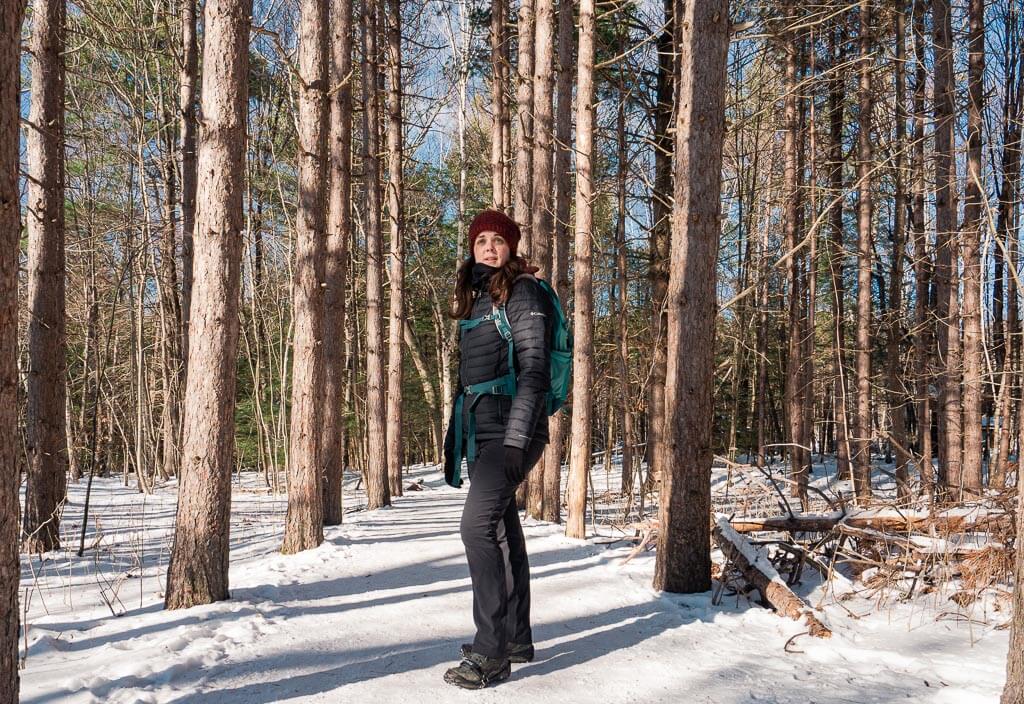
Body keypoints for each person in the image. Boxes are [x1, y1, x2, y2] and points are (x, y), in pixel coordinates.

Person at [442, 209, 553, 689]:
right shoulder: (477, 298)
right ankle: (516, 638)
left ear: (511, 248)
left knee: (475, 527)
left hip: (511, 431)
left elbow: (534, 372)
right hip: (484, 431)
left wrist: (515, 441)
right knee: (503, 531)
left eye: (498, 240)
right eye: (481, 239)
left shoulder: (523, 292)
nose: (489, 247)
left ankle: (491, 651)